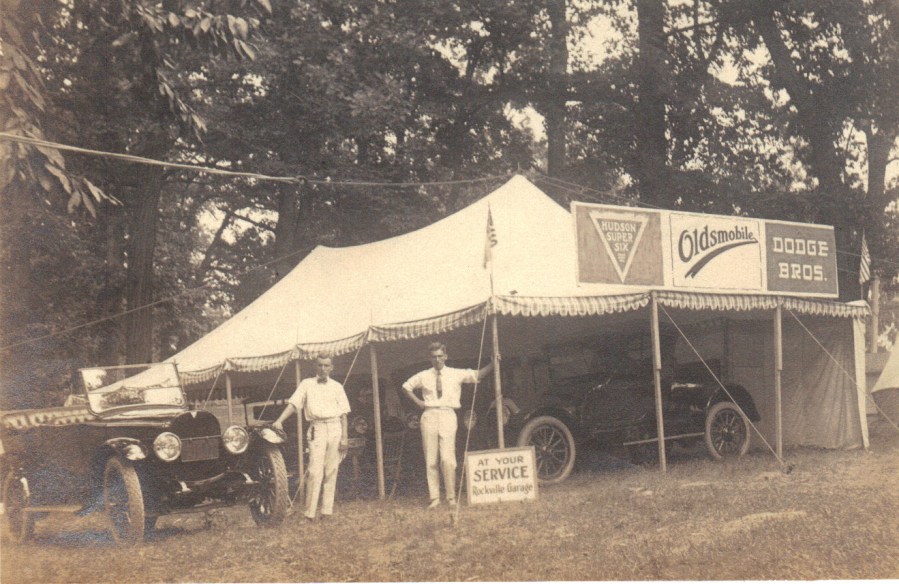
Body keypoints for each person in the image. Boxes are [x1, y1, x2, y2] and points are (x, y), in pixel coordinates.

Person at [402, 341, 493, 509]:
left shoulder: (454, 373)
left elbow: (478, 375)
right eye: (434, 357)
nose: (437, 360)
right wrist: (419, 403)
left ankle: (451, 497)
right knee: (431, 459)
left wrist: (493, 364)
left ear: (445, 356)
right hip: (429, 415)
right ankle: (435, 498)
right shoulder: (423, 375)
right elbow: (406, 386)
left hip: (448, 415)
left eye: (440, 356)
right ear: (430, 359)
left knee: (447, 458)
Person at [273, 353, 350, 521]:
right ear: (315, 367)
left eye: (326, 366)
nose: (323, 369)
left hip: (335, 427)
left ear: (331, 368)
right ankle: (309, 513)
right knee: (315, 471)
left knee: (332, 470)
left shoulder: (337, 386)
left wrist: (344, 438)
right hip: (317, 428)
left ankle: (326, 512)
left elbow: (344, 414)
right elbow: (294, 404)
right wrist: (279, 420)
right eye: (320, 365)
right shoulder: (306, 384)